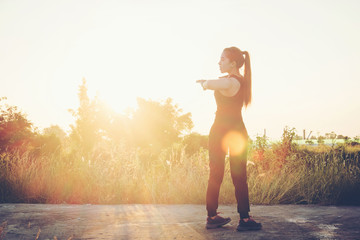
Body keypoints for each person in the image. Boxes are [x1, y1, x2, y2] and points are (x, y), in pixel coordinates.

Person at [196, 46, 262, 231]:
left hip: (221, 131)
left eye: (223, 59)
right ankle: (240, 219)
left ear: (233, 63)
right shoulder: (235, 80)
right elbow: (215, 83)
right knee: (236, 176)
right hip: (235, 132)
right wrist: (209, 81)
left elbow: (209, 85)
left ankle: (216, 216)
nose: (219, 62)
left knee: (220, 174)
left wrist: (204, 83)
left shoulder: (232, 82)